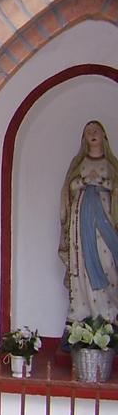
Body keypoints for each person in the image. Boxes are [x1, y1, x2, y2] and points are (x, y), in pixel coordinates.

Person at [59, 120, 118, 323]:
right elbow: (69, 187)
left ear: (104, 136)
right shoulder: (79, 163)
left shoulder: (111, 164)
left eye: (96, 131)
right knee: (83, 263)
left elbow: (116, 187)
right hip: (81, 221)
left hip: (106, 220)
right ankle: (83, 313)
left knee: (108, 261)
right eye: (88, 132)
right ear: (84, 139)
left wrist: (102, 182)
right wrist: (84, 181)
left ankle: (109, 313)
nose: (92, 134)